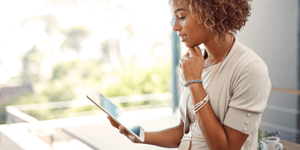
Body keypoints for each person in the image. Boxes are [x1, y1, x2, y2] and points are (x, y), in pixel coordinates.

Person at [107, 0, 272, 149]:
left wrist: (194, 82)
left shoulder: (250, 69)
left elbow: (226, 148)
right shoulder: (192, 64)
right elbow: (186, 132)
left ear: (209, 12)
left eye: (181, 17)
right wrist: (141, 136)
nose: (175, 27)